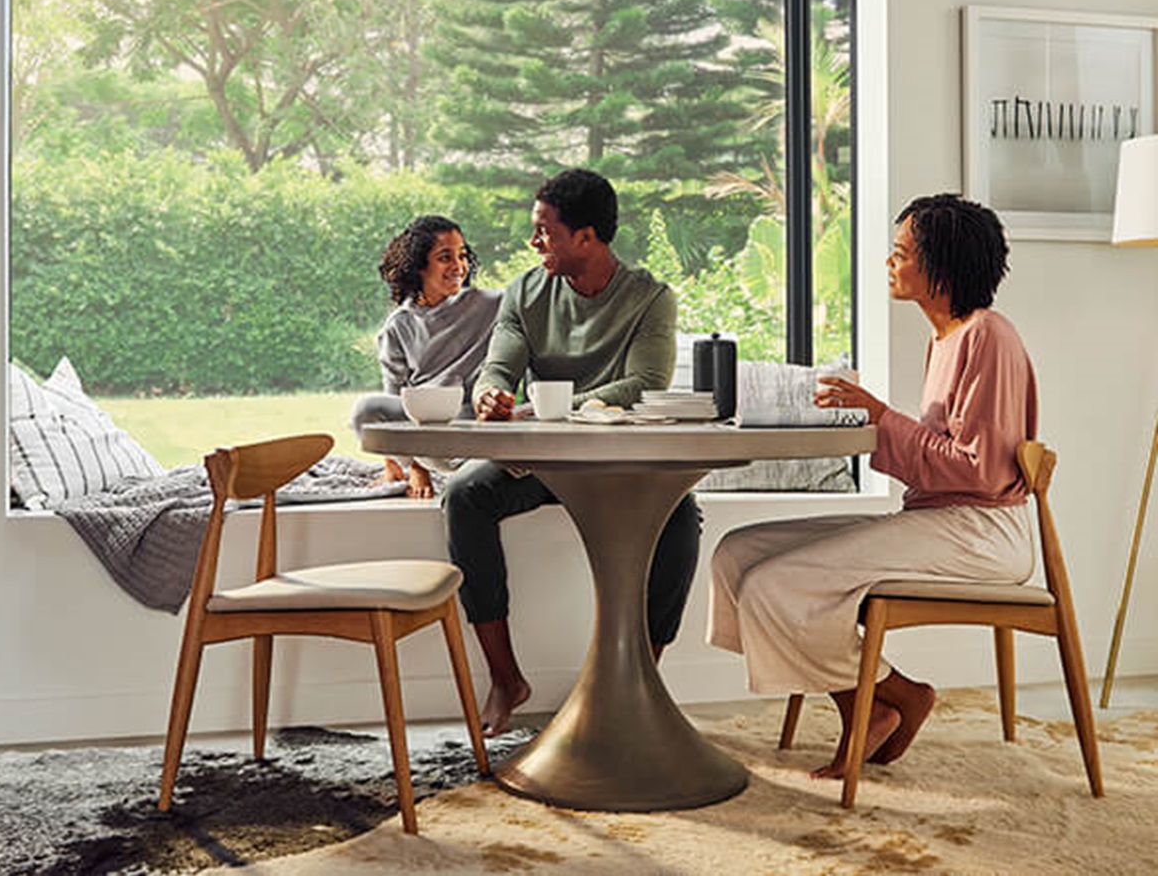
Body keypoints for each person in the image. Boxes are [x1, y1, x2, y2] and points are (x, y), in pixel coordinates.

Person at [707, 193, 1038, 779]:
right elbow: (933, 456)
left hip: (982, 533)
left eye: (900, 252)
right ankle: (889, 699)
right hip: (938, 521)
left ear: (940, 265)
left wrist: (882, 418)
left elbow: (979, 470)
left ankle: (888, 702)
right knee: (739, 555)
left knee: (780, 583)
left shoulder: (989, 337)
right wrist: (872, 419)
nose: (890, 263)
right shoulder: (943, 338)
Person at [444, 168, 703, 737]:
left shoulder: (649, 299)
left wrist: (551, 409)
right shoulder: (525, 292)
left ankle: (640, 683)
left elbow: (646, 382)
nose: (534, 243)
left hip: (623, 461)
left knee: (682, 517)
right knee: (465, 494)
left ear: (586, 237)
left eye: (544, 232)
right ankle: (506, 678)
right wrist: (491, 390)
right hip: (544, 462)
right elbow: (501, 363)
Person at [349, 215, 502, 499]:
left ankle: (463, 470)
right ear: (419, 266)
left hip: (476, 431)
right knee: (365, 408)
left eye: (462, 255)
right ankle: (398, 469)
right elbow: (394, 402)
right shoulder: (398, 326)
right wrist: (415, 469)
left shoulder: (491, 304)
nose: (458, 266)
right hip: (427, 439)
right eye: (445, 257)